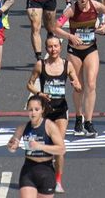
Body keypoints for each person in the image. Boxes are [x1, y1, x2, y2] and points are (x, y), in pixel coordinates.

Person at [57, 0, 105, 137]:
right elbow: (55, 26)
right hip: (74, 51)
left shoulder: (95, 5)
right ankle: (78, 117)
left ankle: (89, 121)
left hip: (90, 49)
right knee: (78, 87)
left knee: (92, 84)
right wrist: (69, 36)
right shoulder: (71, 10)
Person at [27, 36, 81, 192]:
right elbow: (29, 84)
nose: (53, 49)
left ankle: (57, 180)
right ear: (46, 49)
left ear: (60, 47)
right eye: (50, 47)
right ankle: (40, 176)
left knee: (59, 146)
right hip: (45, 113)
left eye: (56, 46)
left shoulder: (67, 65)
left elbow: (78, 86)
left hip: (60, 111)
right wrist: (39, 93)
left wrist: (77, 86)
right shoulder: (40, 65)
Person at [7, 95, 66, 198]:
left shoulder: (49, 126)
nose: (33, 113)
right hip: (28, 171)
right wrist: (12, 146)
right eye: (30, 110)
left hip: (46, 171)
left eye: (36, 109)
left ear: (42, 110)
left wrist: (40, 147)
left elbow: (62, 149)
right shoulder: (23, 128)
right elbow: (12, 145)